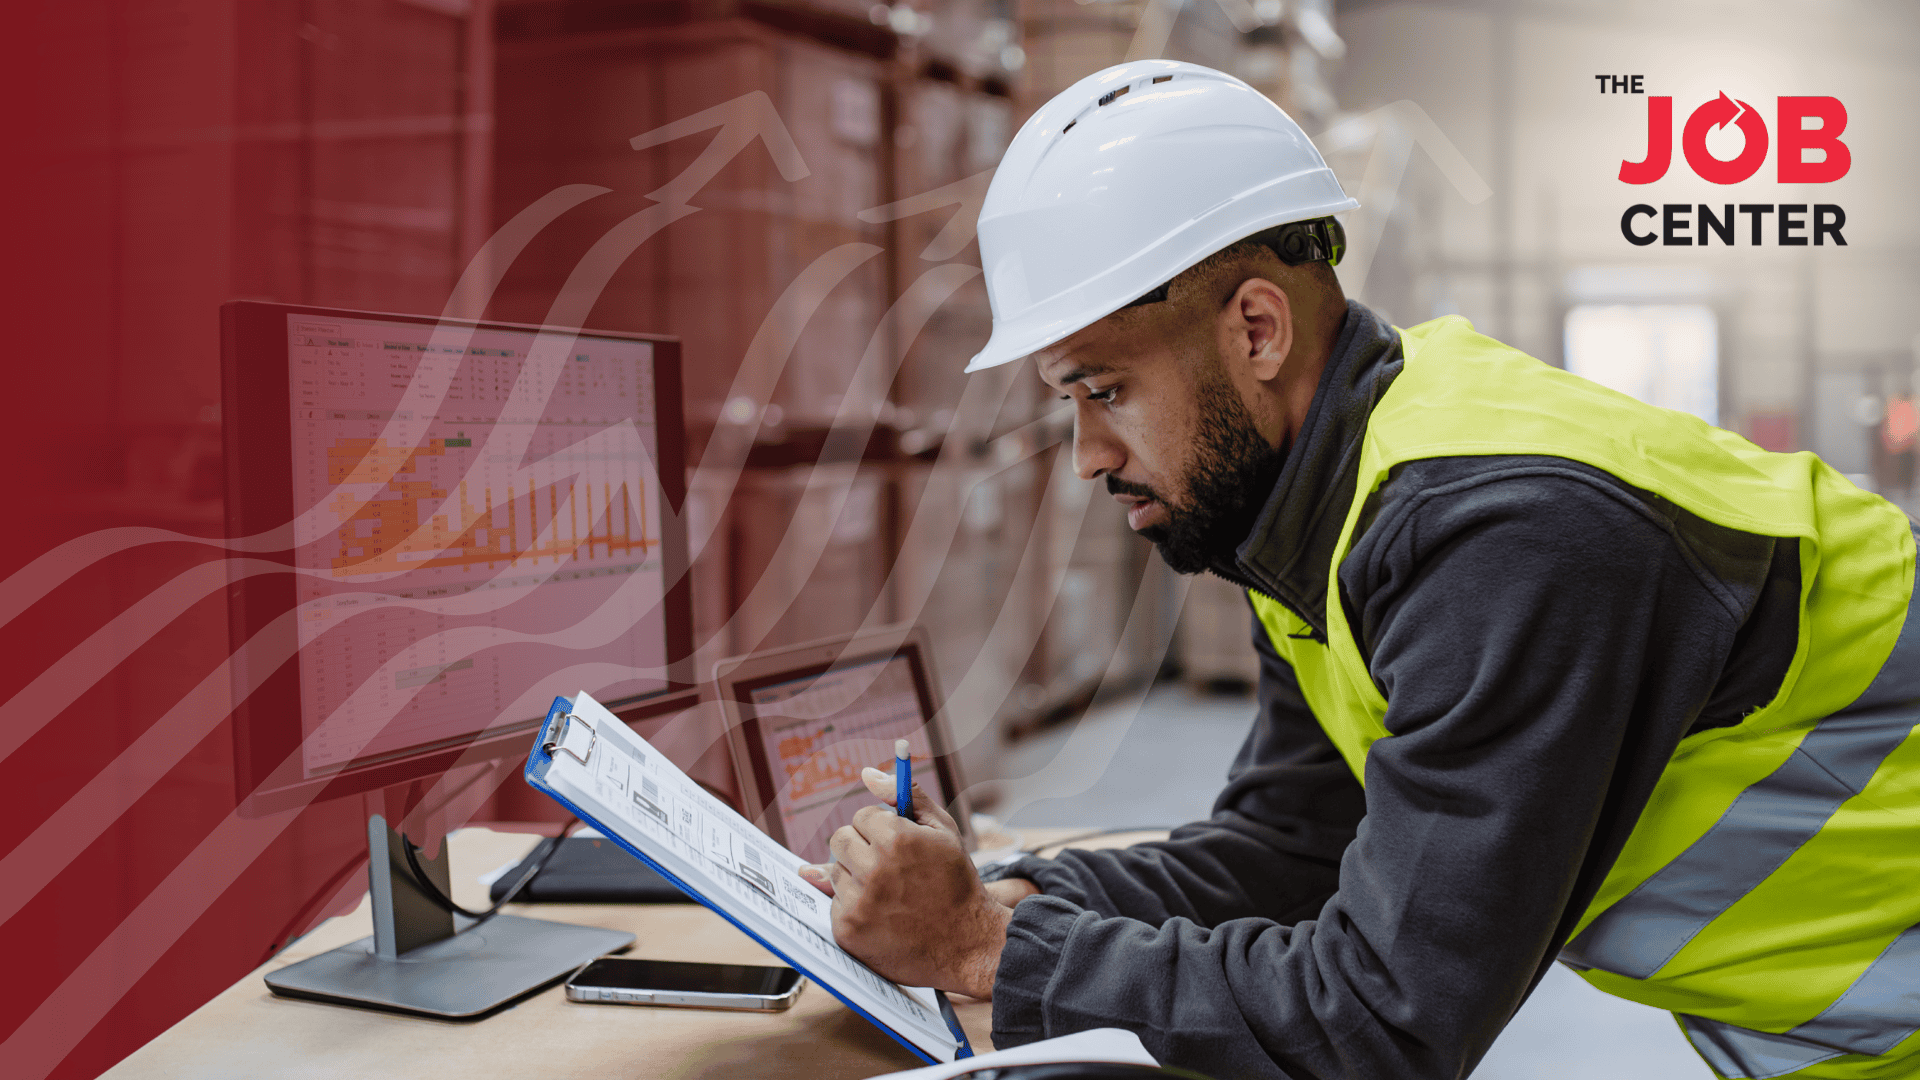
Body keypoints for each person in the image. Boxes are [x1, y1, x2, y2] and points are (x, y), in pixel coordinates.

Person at [796, 61, 1920, 1080]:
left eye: (1106, 391)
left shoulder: (1502, 535)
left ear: (1255, 331)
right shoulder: (1327, 515)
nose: (1089, 454)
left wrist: (986, 949)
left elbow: (1386, 1020)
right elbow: (1296, 849)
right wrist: (1022, 893)